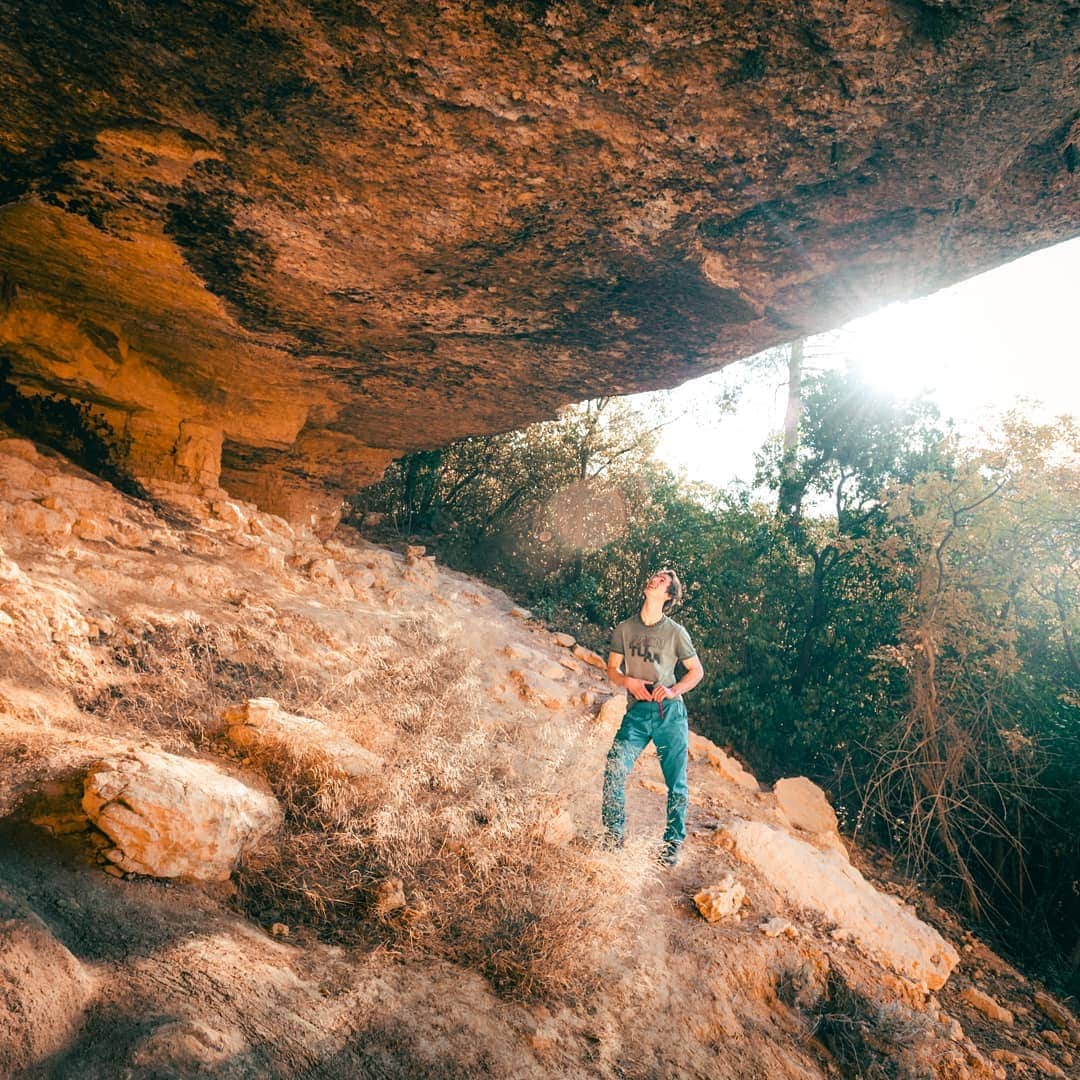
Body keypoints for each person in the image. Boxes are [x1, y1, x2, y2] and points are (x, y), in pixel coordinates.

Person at [602, 568, 703, 866]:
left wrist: (674, 691)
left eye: (662, 581)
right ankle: (613, 836)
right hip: (636, 712)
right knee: (615, 769)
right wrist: (627, 682)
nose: (654, 580)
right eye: (655, 576)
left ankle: (673, 843)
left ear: (668, 595)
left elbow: (696, 671)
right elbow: (612, 669)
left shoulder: (675, 632)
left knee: (677, 782)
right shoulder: (624, 629)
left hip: (669, 714)